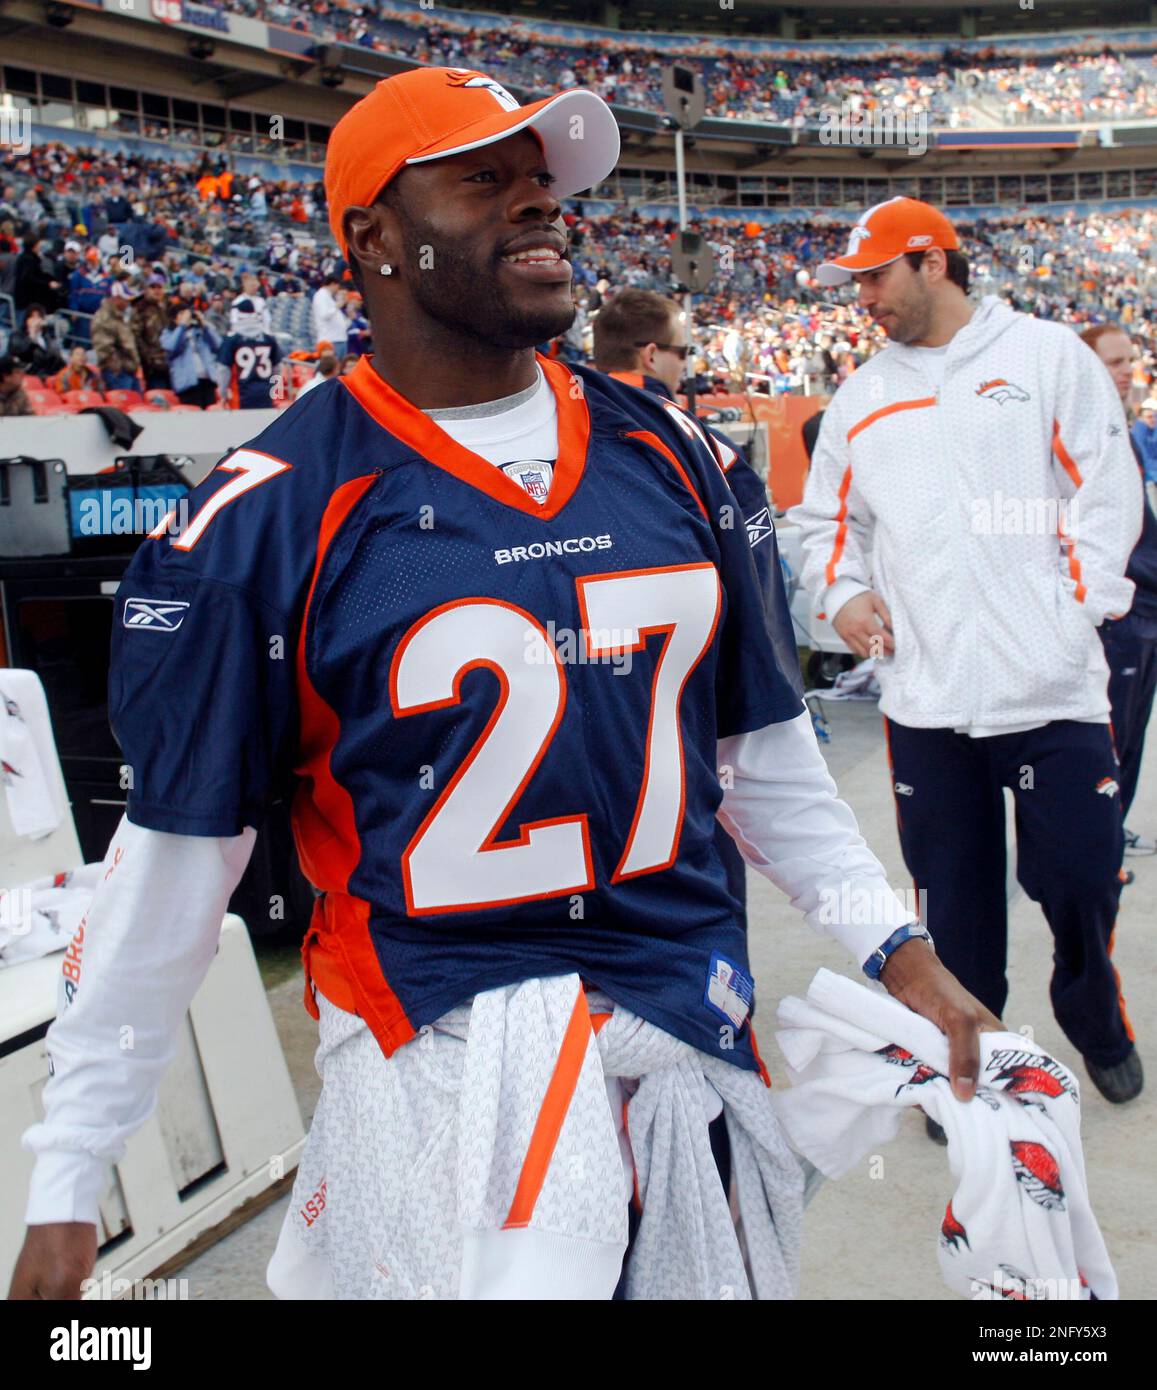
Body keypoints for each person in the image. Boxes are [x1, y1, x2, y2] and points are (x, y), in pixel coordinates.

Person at [11, 70, 996, 1303]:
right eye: (485, 178)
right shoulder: (265, 519)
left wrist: (898, 951)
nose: (539, 206)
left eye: (543, 179)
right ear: (369, 235)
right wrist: (68, 1175)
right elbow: (170, 880)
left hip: (687, 1040)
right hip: (438, 1073)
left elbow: (762, 762)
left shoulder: (678, 456)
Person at [790, 196, 1144, 1115]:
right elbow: (826, 522)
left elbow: (1103, 492)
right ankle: (973, 1067)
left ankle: (1092, 1011)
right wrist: (845, 594)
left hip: (1054, 689)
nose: (861, 295)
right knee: (954, 918)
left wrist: (1077, 613)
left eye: (873, 274)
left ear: (931, 262)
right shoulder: (862, 397)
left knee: (1076, 877)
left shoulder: (1044, 357)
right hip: (927, 703)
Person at [593, 285, 803, 935]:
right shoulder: (704, 454)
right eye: (682, 353)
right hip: (681, 753)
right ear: (652, 355)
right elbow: (755, 621)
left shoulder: (534, 442)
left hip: (574, 761)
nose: (685, 368)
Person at [1081, 324, 1157, 859]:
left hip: (1143, 610)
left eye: (1129, 360)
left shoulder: (1121, 433)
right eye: (1113, 362)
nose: (1127, 371)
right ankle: (1101, 841)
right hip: (1121, 615)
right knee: (1113, 740)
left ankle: (1111, 832)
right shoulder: (1083, 438)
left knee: (1132, 739)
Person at [215, 297, 285, 408]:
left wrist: (223, 393)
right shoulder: (268, 339)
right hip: (266, 394)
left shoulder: (233, 340)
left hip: (241, 394)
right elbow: (278, 367)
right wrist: (276, 393)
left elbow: (223, 369)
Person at [160, 301, 221, 408]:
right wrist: (182, 327)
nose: (187, 316)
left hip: (207, 380)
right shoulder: (168, 333)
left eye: (187, 313)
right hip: (187, 383)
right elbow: (171, 347)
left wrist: (204, 324)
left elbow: (218, 345)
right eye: (182, 314)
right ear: (175, 318)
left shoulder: (200, 330)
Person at [90, 296, 142, 393]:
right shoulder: (104, 317)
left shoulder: (121, 315)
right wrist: (117, 367)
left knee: (137, 402)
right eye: (125, 299)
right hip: (117, 371)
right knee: (122, 402)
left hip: (129, 369)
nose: (128, 303)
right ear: (117, 299)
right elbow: (104, 347)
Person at [131, 275, 172, 390]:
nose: (157, 290)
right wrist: (148, 358)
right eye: (153, 287)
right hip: (153, 365)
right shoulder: (140, 308)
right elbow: (136, 336)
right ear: (146, 289)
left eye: (159, 287)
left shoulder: (169, 307)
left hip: (170, 363)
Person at [7, 303, 64, 378]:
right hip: (28, 376)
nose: (35, 321)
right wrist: (32, 336)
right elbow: (23, 355)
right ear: (27, 320)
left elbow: (57, 360)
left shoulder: (48, 339)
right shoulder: (17, 336)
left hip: (47, 377)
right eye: (32, 317)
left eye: (38, 317)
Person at [310, 272, 348, 358]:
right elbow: (324, 314)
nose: (337, 289)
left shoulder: (328, 296)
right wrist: (337, 305)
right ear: (333, 284)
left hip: (339, 338)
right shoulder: (321, 295)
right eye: (338, 286)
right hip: (330, 339)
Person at [1132, 397, 1157, 486]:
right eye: (1149, 417)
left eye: (1154, 417)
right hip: (1146, 477)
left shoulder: (1152, 429)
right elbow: (1144, 458)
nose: (1153, 419)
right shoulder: (1139, 430)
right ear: (1141, 419)